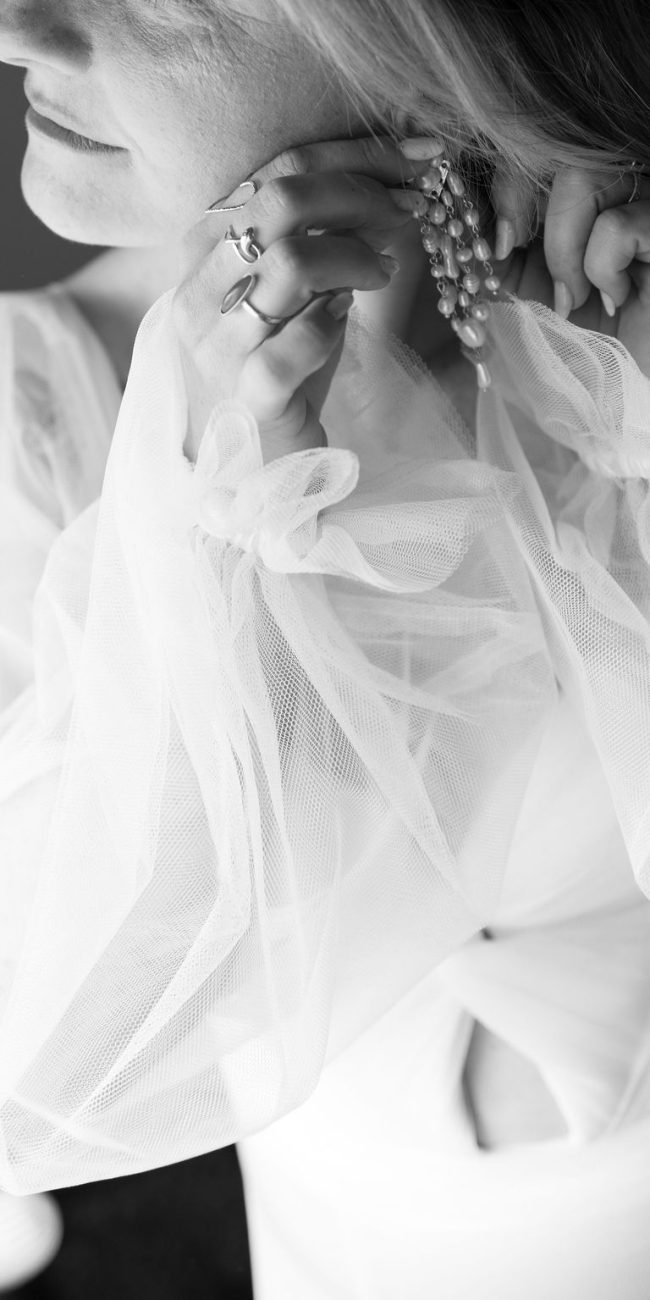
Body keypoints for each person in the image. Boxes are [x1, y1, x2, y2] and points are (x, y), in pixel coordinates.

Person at [0, 0, 650, 1296]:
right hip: (355, 1213)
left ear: (433, 58)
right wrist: (199, 544)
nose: (23, 29)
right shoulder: (32, 418)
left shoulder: (605, 317)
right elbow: (49, 1061)